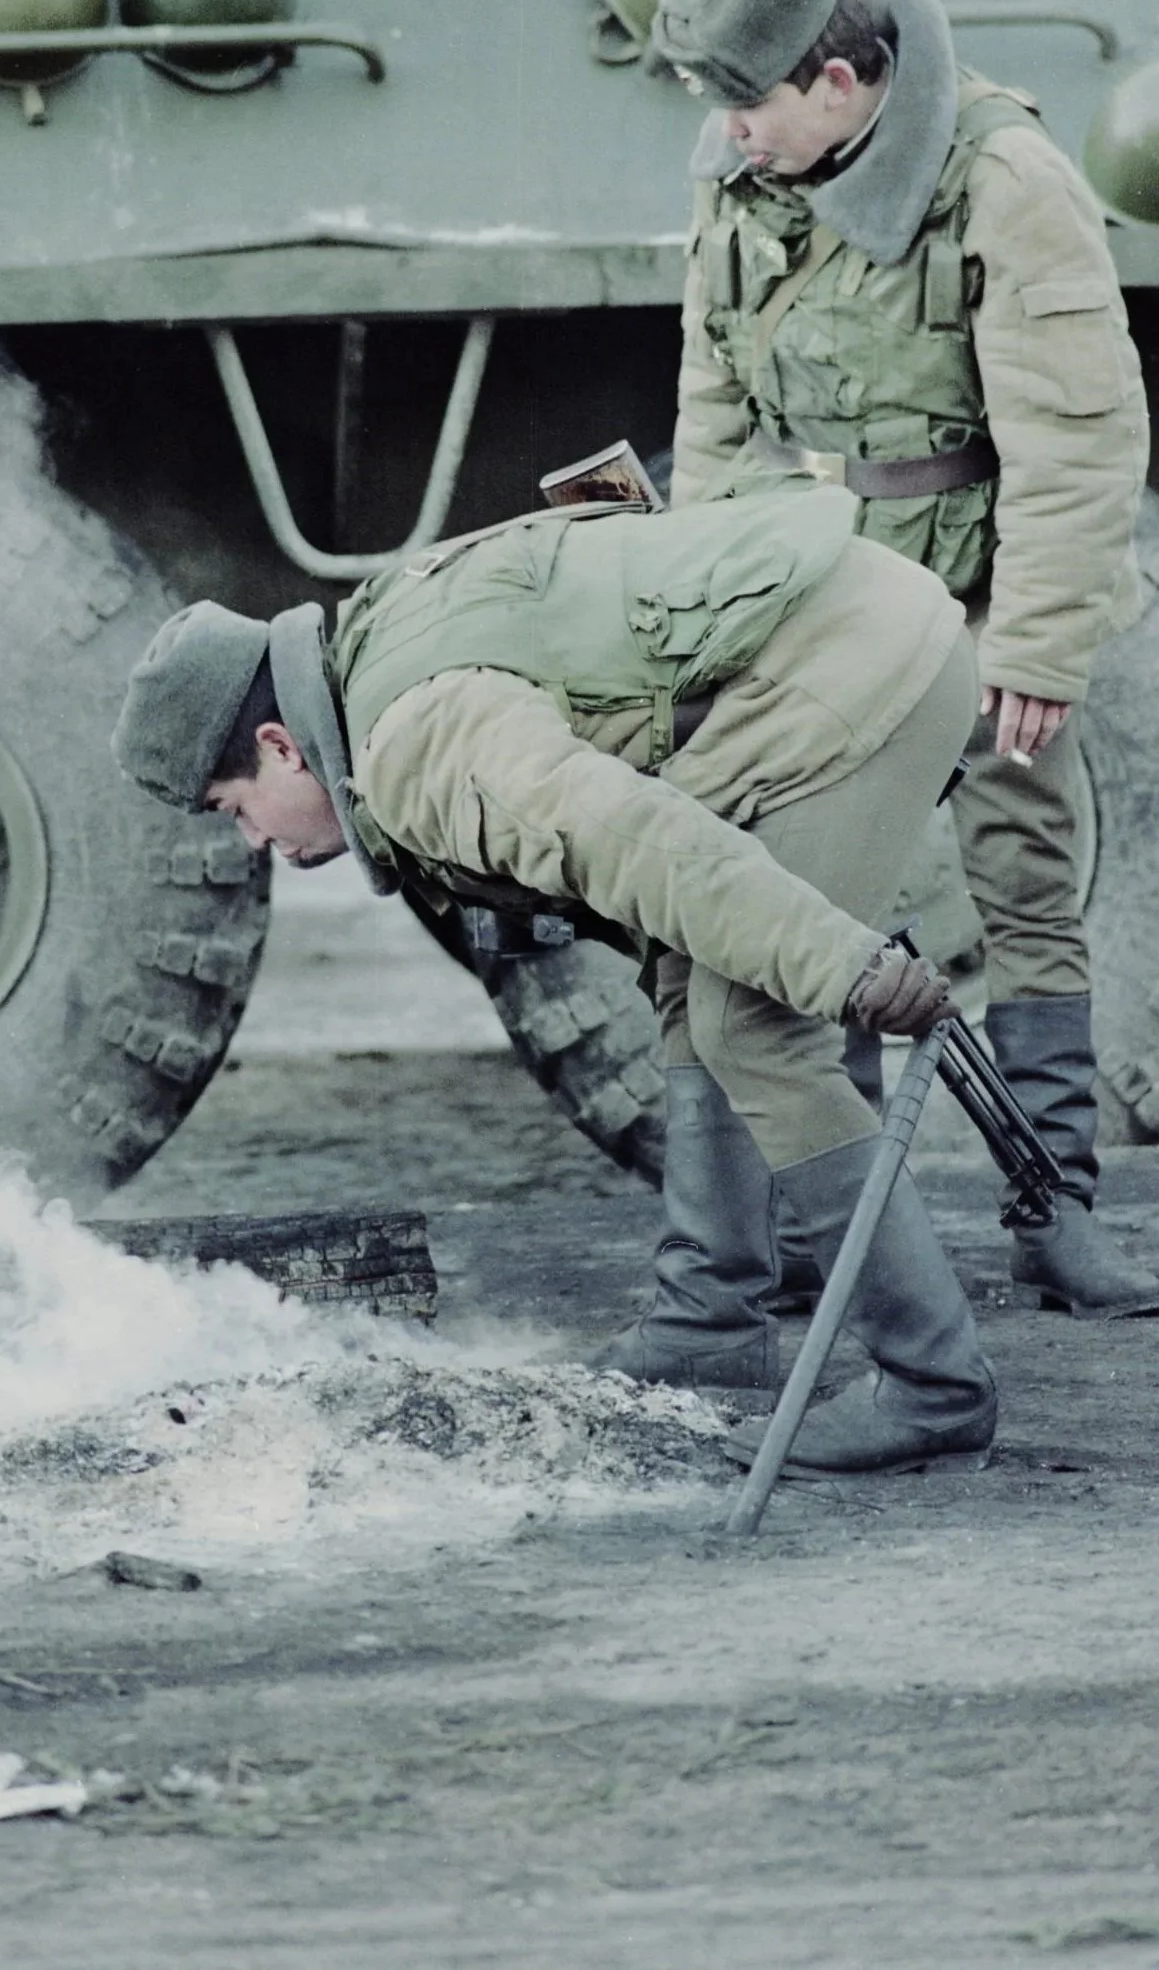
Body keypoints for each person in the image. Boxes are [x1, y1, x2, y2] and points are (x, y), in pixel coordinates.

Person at [113, 478, 997, 1477]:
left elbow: (639, 842)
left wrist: (841, 963)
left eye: (237, 808)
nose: (256, 840)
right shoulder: (367, 659)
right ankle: (710, 1322)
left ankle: (932, 1385)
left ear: (279, 745)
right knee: (691, 979)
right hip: (837, 630)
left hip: (869, 661)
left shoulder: (418, 749)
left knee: (757, 1027)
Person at [650, 0, 1155, 1320]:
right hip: (818, 592)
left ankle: (1052, 1217)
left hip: (981, 581)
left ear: (834, 79)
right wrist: (703, 601)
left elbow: (1074, 432)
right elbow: (711, 403)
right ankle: (850, 1236)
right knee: (820, 905)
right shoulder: (741, 168)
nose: (730, 135)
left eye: (751, 105)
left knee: (1021, 892)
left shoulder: (1001, 177)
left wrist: (1040, 643)